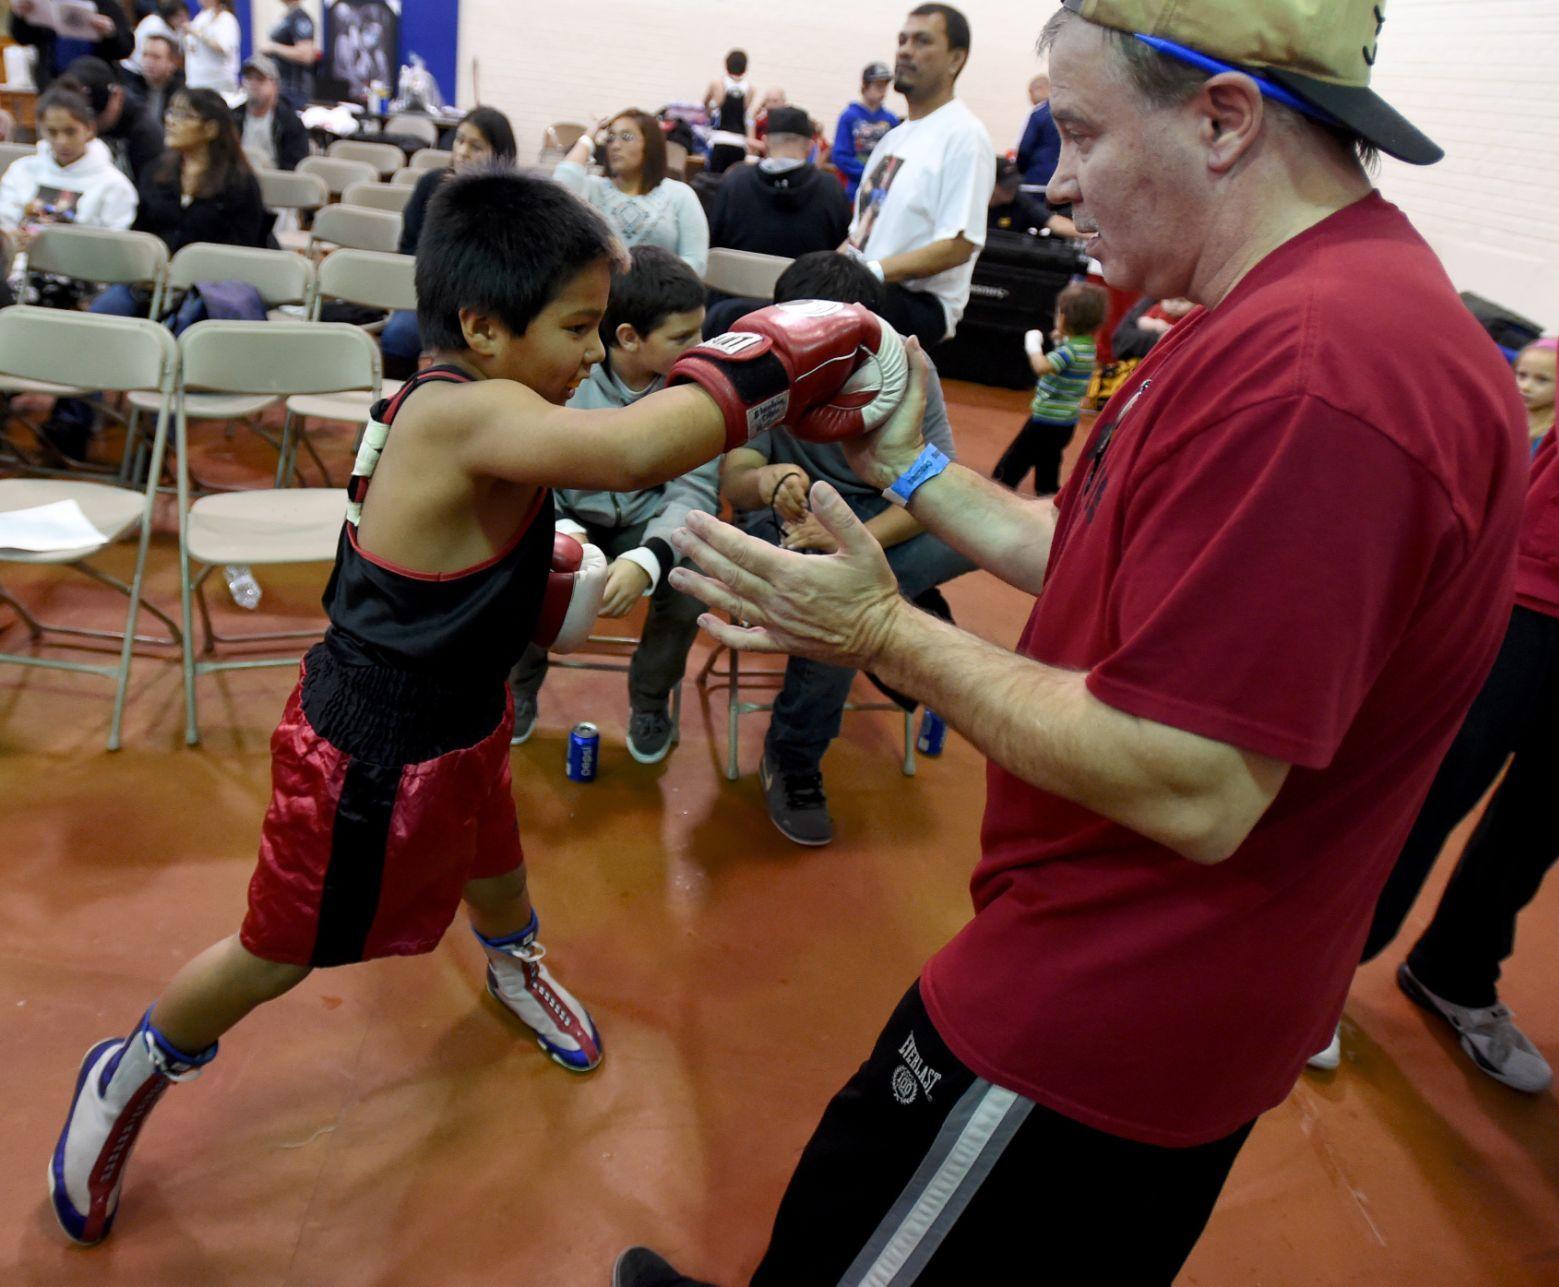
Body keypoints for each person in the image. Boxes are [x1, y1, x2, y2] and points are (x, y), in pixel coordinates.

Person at [617, 1, 1527, 1280]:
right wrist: (914, 462)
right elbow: (1096, 554)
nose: (1052, 181)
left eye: (1083, 132)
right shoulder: (1273, 313)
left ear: (1223, 119)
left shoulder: (1324, 376)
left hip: (1118, 998)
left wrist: (879, 627)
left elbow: (1198, 780)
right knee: (849, 1200)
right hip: (1090, 943)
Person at [48, 165, 910, 1248]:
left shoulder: (489, 406)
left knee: (494, 851)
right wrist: (797, 347)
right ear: (485, 327)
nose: (597, 353)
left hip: (460, 712)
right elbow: (642, 446)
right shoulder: (467, 416)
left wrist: (596, 572)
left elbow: (544, 545)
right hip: (369, 746)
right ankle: (127, 1073)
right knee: (279, 948)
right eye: (580, 327)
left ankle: (513, 964)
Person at [1327, 237, 1559, 1093]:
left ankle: (1453, 971)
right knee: (1424, 793)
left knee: (1537, 829)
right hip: (1543, 590)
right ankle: (1315, 974)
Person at [717, 251, 973, 846]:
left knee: (970, 531)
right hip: (790, 521)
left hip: (874, 519)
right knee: (834, 597)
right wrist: (772, 482)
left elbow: (930, 483)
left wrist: (853, 541)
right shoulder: (763, 362)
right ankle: (795, 755)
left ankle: (888, 609)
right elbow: (735, 478)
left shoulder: (909, 368)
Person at [508, 246, 716, 759]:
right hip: (566, 516)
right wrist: (566, 537)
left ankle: (649, 700)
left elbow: (695, 490)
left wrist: (648, 560)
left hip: (647, 524)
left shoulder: (700, 389)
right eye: (684, 337)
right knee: (527, 562)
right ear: (628, 337)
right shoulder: (562, 375)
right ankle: (516, 687)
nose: (703, 345)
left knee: (692, 578)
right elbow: (530, 471)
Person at [843, 4, 994, 350]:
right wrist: (823, 272)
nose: (905, 50)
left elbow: (959, 245)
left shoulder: (964, 135)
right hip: (870, 290)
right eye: (902, 40)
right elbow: (858, 236)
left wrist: (871, 274)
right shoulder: (892, 139)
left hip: (918, 305)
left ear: (956, 59)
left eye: (922, 41)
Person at [90, 88, 272, 319]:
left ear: (211, 128)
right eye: (170, 112)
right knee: (105, 311)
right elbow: (139, 232)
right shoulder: (156, 172)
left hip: (213, 289)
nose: (170, 121)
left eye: (184, 115)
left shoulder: (240, 184)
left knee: (187, 321)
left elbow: (243, 251)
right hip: (149, 284)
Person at [379, 105, 518, 379]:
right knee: (398, 335)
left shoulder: (511, 199)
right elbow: (408, 246)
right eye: (459, 140)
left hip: (485, 303)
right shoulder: (431, 184)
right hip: (430, 295)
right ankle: (400, 407)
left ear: (499, 154)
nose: (462, 151)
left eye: (476, 146)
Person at [555, 110, 709, 278]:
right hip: (601, 297)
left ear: (650, 144)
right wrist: (588, 137)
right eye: (610, 138)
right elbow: (560, 189)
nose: (615, 145)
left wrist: (647, 286)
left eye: (626, 137)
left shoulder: (680, 195)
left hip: (660, 297)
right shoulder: (592, 188)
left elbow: (696, 263)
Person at [990, 281, 1105, 495]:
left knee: (1015, 461)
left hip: (1045, 420)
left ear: (1064, 318)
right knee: (1048, 462)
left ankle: (998, 491)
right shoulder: (1087, 347)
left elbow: (1042, 367)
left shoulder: (1068, 352)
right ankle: (1048, 493)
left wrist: (1032, 345)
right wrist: (1062, 337)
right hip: (1066, 422)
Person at [708, 106, 850, 262]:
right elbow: (842, 252)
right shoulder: (831, 188)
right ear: (810, 146)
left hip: (736, 284)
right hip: (806, 284)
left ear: (764, 142)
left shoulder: (734, 181)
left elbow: (712, 242)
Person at [0, 84, 137, 245]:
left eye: (70, 132)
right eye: (52, 132)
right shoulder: (21, 170)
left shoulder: (115, 185)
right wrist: (10, 238)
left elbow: (112, 248)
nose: (61, 142)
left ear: (89, 130)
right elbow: (4, 222)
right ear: (41, 131)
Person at [58, 55, 165, 185]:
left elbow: (152, 195)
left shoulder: (145, 132)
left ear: (117, 96)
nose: (89, 127)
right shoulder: (61, 128)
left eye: (95, 116)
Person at [9, 0, 132, 82]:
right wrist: (20, 15)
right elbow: (22, 38)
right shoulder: (43, 3)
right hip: (53, 84)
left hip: (96, 84)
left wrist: (110, 34)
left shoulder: (105, 4)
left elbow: (126, 48)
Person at [232, 53, 311, 172]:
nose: (253, 84)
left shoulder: (290, 123)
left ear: (275, 85)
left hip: (277, 184)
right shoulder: (232, 118)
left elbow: (295, 167)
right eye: (249, 78)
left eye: (260, 79)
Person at [831, 63, 900, 196]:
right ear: (865, 85)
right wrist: (868, 173)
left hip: (882, 190)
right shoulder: (849, 116)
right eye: (878, 86)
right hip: (854, 188)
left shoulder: (891, 120)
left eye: (885, 86)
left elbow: (895, 154)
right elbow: (840, 155)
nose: (883, 91)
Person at [986, 155, 1077, 237]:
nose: (1012, 189)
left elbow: (1053, 222)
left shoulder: (1019, 200)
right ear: (991, 184)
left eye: (1014, 184)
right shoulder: (974, 202)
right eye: (1007, 186)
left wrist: (1089, 236)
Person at [119, 28, 185, 131]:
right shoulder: (132, 89)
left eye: (156, 57)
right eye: (145, 55)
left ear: (172, 63)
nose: (149, 62)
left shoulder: (182, 94)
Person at [261, 0, 320, 110]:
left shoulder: (300, 18)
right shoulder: (288, 16)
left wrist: (274, 48)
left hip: (295, 89)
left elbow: (306, 55)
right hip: (281, 86)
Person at [703, 49, 753, 176]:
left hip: (720, 140)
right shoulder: (750, 89)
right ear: (745, 68)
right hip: (739, 143)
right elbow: (744, 112)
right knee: (733, 183)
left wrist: (711, 108)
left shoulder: (718, 84)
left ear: (726, 65)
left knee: (714, 180)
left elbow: (705, 104)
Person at [184, 0, 244, 98]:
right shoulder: (201, 17)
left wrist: (196, 33)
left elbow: (221, 47)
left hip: (218, 86)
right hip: (196, 83)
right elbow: (194, 48)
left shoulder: (226, 19)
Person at [1513, 337, 1558, 453]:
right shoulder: (1508, 413)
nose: (1525, 387)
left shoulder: (1551, 434)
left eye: (1542, 380)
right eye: (1522, 375)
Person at [123, 0, 188, 76]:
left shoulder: (179, 28)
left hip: (149, 72)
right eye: (179, 16)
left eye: (185, 15)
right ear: (170, 16)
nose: (184, 19)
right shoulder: (154, 24)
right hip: (133, 68)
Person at [1016, 74, 1060, 186]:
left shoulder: (1039, 114)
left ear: (1041, 89)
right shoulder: (1064, 113)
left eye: (1030, 92)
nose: (1030, 98)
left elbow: (1025, 148)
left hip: (1037, 174)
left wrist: (1018, 170)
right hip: (1059, 174)